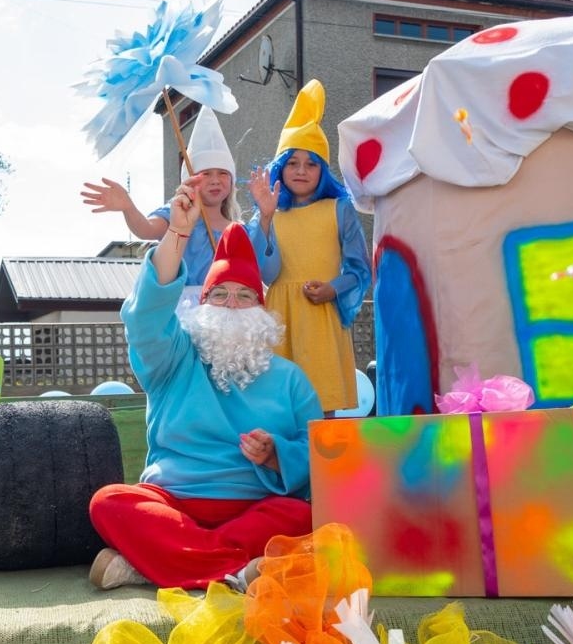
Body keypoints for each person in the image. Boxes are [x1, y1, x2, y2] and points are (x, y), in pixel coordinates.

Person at [86, 180, 323, 590]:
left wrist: (276, 456)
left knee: (303, 515)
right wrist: (178, 232)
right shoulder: (173, 358)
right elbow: (146, 316)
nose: (232, 306)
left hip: (255, 506)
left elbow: (318, 455)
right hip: (176, 503)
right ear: (201, 306)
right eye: (221, 296)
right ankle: (235, 571)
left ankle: (153, 566)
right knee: (109, 502)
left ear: (261, 310)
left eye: (244, 296)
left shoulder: (291, 379)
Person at [246, 80, 370, 415]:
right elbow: (263, 272)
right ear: (280, 167)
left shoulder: (338, 209)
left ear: (323, 169)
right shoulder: (266, 214)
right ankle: (286, 467)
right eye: (292, 162)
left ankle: (322, 468)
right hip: (278, 320)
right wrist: (266, 218)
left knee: (320, 407)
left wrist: (333, 288)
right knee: (279, 408)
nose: (301, 171)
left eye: (311, 163)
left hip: (320, 319)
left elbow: (360, 269)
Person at [81, 107, 268, 300]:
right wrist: (129, 208)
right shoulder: (177, 213)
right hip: (185, 307)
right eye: (205, 174)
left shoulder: (239, 230)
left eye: (222, 173)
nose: (215, 180)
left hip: (226, 308)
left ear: (232, 180)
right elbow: (146, 229)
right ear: (189, 180)